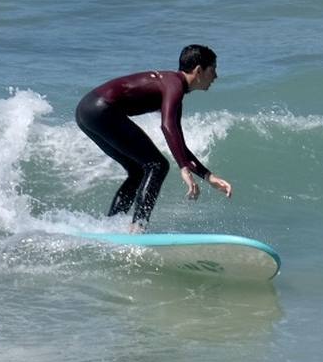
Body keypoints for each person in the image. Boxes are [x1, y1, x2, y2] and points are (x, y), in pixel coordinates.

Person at [76, 44, 233, 231]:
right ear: (199, 70)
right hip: (102, 110)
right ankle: (138, 227)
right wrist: (184, 168)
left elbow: (178, 141)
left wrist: (208, 176)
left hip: (87, 111)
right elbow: (167, 126)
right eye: (213, 70)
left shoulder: (172, 87)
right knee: (157, 165)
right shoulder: (174, 84)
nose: (216, 76)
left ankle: (109, 227)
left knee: (138, 169)